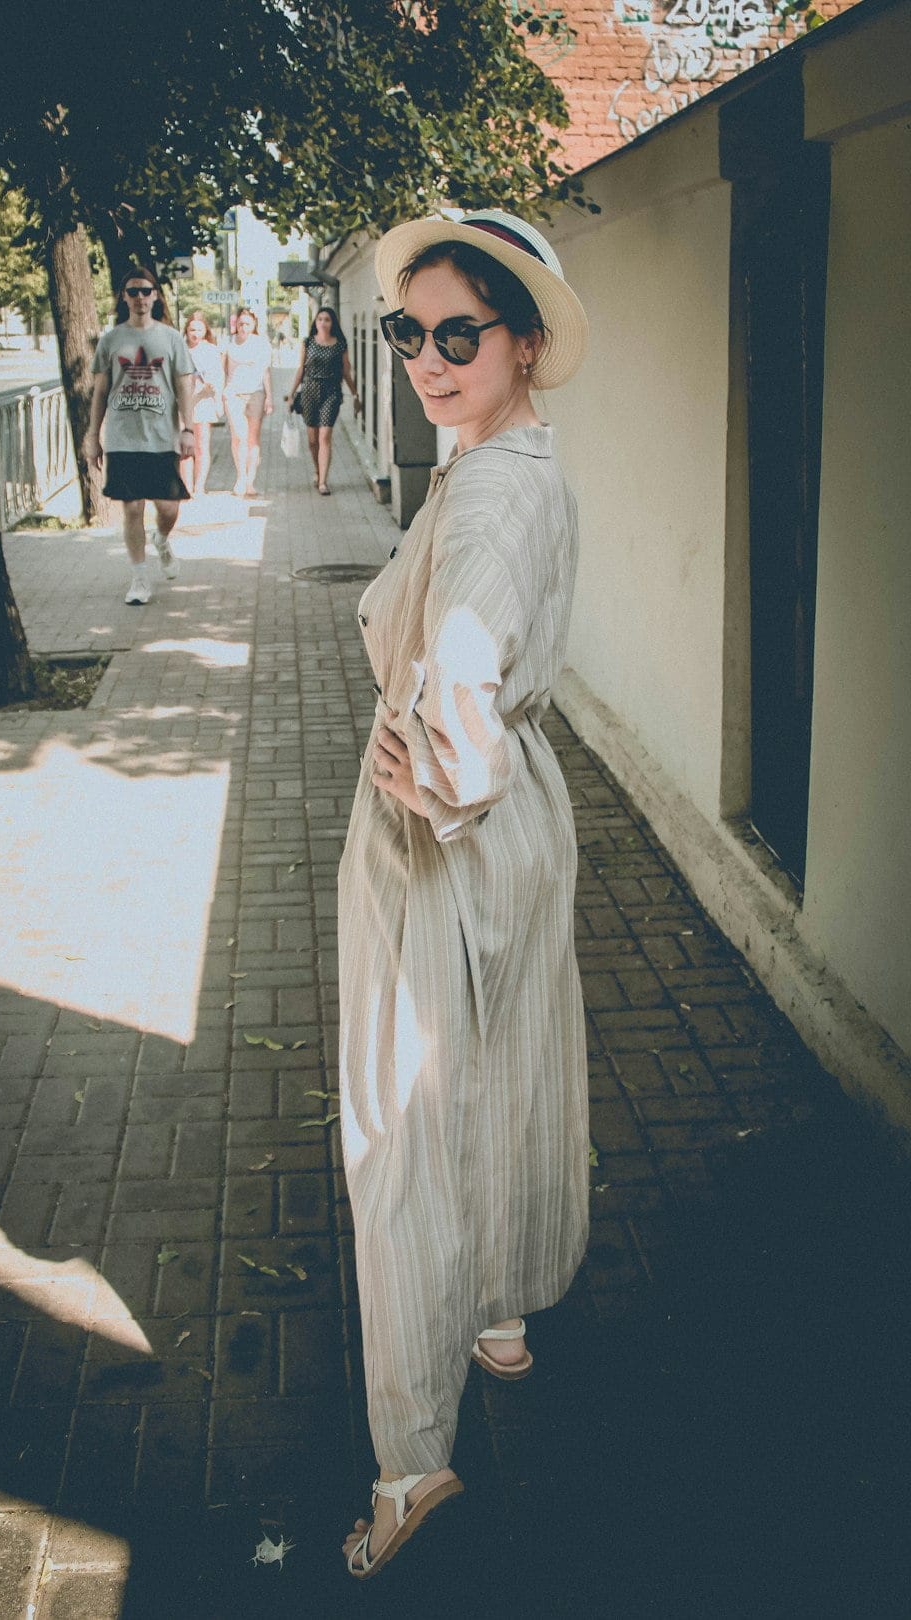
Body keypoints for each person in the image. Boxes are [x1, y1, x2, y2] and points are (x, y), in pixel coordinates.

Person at [336, 209, 591, 1579]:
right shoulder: (517, 461)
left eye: (459, 335)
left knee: (399, 1133)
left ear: (524, 343)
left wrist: (422, 764)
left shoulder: (489, 493)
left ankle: (411, 1456)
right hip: (518, 829)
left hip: (444, 842)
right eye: (408, 332)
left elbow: (461, 695)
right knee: (501, 1076)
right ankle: (502, 1318)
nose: (428, 360)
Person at [83, 268, 194, 605]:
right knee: (132, 508)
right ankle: (140, 579)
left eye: (146, 291)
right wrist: (92, 435)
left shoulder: (171, 338)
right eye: (133, 292)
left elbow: (184, 386)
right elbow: (100, 391)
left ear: (156, 296)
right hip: (122, 438)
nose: (140, 298)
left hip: (161, 438)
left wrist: (188, 429)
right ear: (124, 297)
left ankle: (161, 539)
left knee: (169, 507)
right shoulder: (112, 340)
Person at [283, 306, 360, 494]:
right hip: (309, 391)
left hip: (331, 392)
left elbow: (346, 371)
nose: (323, 323)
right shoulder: (308, 342)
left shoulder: (340, 343)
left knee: (324, 436)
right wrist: (291, 394)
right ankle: (317, 470)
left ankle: (323, 482)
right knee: (312, 439)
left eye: (327, 319)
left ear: (332, 323)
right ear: (315, 322)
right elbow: (301, 369)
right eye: (320, 319)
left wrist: (355, 393)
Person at [222, 307, 273, 496]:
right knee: (239, 436)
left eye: (247, 324)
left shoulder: (261, 344)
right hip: (233, 394)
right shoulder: (228, 343)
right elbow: (222, 371)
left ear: (254, 325)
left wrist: (270, 398)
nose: (243, 327)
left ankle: (250, 480)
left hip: (256, 394)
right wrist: (222, 394)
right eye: (240, 323)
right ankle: (240, 477)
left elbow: (266, 373)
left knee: (253, 438)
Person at [181, 310, 225, 497]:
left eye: (199, 329)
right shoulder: (180, 349)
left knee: (201, 445)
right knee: (185, 447)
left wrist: (217, 397)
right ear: (186, 330)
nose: (195, 333)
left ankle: (199, 486)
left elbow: (218, 376)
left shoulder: (212, 350)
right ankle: (186, 487)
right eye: (192, 329)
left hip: (204, 401)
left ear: (205, 330)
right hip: (183, 404)